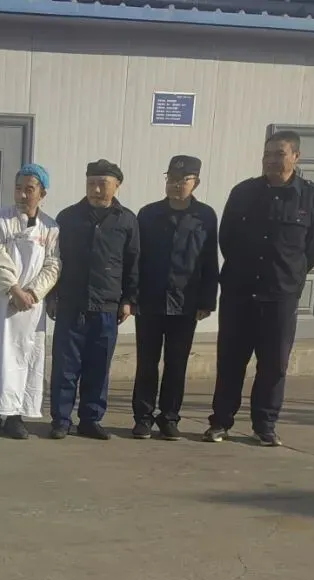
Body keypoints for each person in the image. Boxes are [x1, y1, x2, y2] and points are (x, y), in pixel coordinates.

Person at [205, 131, 314, 446]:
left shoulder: (313, 198)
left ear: (296, 157)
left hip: (280, 296)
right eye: (268, 154)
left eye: (280, 154)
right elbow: (226, 238)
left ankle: (265, 425)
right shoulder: (244, 193)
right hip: (239, 292)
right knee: (230, 361)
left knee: (274, 365)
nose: (272, 160)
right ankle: (220, 422)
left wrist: (287, 275)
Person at [49, 159, 140, 440]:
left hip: (106, 306)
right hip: (71, 303)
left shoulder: (126, 219)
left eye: (103, 184)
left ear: (117, 186)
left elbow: (133, 262)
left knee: (98, 367)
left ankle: (90, 419)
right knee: (65, 367)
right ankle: (61, 420)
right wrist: (52, 295)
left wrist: (128, 299)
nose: (96, 189)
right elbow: (54, 260)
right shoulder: (68, 217)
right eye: (91, 183)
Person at [133, 156, 219, 440]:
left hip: (186, 303)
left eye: (183, 180)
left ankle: (169, 417)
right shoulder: (148, 214)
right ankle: (143, 418)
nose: (176, 185)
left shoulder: (205, 216)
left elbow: (209, 260)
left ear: (196, 183)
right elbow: (136, 258)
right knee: (147, 363)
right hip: (150, 300)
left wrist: (207, 301)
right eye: (171, 178)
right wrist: (132, 296)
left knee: (176, 364)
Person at [0, 164, 61, 439]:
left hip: (31, 309)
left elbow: (53, 264)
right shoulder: (0, 220)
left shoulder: (50, 227)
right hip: (3, 302)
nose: (22, 195)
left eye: (29, 189)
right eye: (18, 188)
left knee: (25, 359)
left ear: (42, 193)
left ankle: (15, 418)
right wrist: (14, 290)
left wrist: (33, 293)